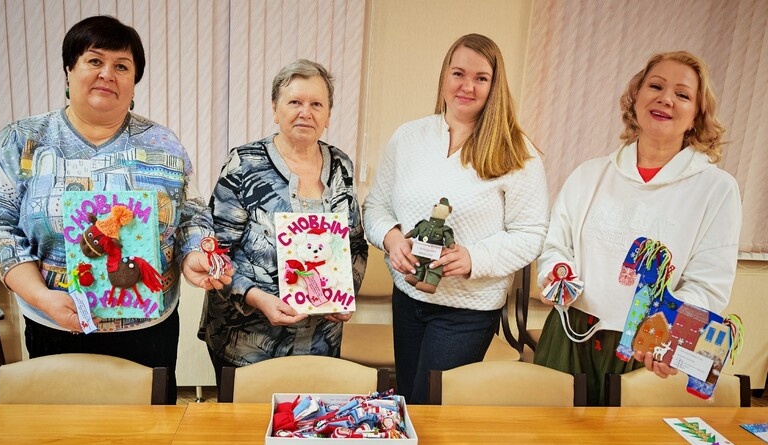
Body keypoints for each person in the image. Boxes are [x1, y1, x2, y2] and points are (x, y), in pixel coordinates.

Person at [0, 15, 231, 404]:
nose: (107, 73)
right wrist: (40, 296)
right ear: (69, 69)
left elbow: (191, 215)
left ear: (134, 81)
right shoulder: (22, 140)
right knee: (64, 425)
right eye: (94, 60)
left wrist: (194, 254)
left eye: (121, 66)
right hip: (55, 322)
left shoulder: (162, 143)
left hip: (148, 329)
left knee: (148, 425)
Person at [534, 51, 742, 406]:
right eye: (656, 86)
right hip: (570, 336)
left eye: (682, 94)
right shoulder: (589, 175)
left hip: (646, 347)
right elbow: (556, 244)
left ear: (697, 114)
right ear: (636, 97)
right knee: (549, 430)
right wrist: (555, 273)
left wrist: (670, 332)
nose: (666, 98)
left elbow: (708, 283)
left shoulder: (716, 189)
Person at [363, 34, 549, 404]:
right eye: (459, 73)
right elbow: (376, 207)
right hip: (408, 298)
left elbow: (531, 233)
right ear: (444, 76)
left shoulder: (517, 152)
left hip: (468, 309)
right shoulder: (408, 137)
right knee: (408, 401)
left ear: (494, 85)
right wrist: (392, 239)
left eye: (481, 78)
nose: (467, 86)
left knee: (430, 408)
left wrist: (473, 259)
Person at [201, 59, 368, 384]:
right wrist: (256, 297)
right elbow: (215, 252)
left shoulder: (341, 167)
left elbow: (356, 244)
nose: (306, 112)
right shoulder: (244, 164)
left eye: (316, 104)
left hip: (321, 341)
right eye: (295, 102)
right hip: (247, 343)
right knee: (247, 417)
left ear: (328, 115)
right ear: (275, 109)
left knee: (309, 413)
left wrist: (345, 293)